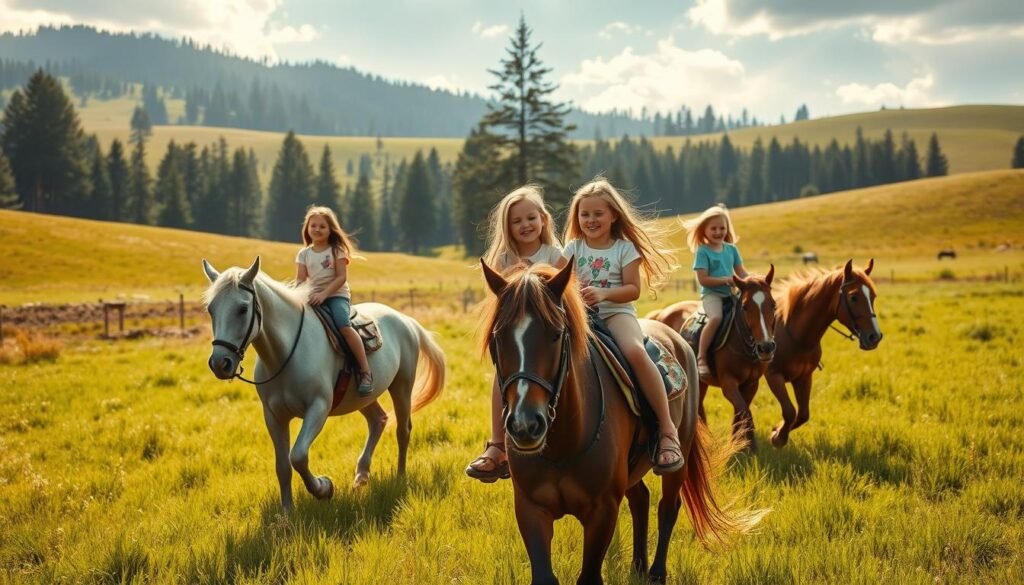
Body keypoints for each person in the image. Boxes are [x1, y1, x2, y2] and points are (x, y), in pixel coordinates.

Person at [562, 178, 684, 474]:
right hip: (579, 317)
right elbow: (561, 284)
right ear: (577, 217)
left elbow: (633, 290)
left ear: (613, 215)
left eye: (598, 214)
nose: (591, 220)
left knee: (634, 351)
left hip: (617, 313)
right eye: (584, 214)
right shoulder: (572, 248)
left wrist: (603, 293)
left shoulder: (624, 248)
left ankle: (667, 429)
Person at [466, 185, 566, 482]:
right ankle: (498, 446)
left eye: (531, 218)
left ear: (543, 219)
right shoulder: (503, 260)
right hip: (520, 330)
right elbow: (498, 301)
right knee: (503, 377)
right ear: (507, 227)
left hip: (547, 329)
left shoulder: (555, 254)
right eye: (517, 221)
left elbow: (568, 295)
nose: (525, 225)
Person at [295, 205, 373, 396]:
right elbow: (300, 281)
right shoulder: (304, 254)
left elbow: (341, 278)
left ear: (331, 229)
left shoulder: (336, 250)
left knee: (344, 326)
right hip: (312, 297)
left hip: (336, 295)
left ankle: (365, 371)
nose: (317, 229)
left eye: (322, 226)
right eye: (313, 226)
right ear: (307, 228)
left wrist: (323, 295)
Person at [682, 204, 749, 379]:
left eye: (722, 228)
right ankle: (702, 357)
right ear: (704, 230)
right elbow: (703, 279)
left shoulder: (732, 249)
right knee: (716, 318)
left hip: (731, 294)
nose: (718, 232)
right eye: (713, 228)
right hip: (712, 295)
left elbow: (742, 273)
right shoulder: (703, 251)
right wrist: (726, 280)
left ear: (727, 229)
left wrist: (753, 282)